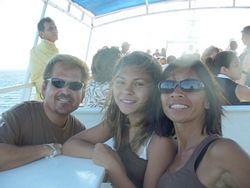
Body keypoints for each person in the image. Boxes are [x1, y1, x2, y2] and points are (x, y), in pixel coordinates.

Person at [63, 51, 176, 188]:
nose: (127, 90)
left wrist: (113, 166)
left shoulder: (160, 142)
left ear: (155, 90)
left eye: (139, 84)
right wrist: (102, 155)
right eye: (121, 82)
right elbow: (70, 145)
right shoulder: (119, 121)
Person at [157, 55, 250, 188]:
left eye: (190, 85)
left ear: (208, 100)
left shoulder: (222, 151)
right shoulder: (168, 151)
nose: (176, 92)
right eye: (167, 85)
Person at [0, 54, 89, 171]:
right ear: (44, 88)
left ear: (82, 95)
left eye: (75, 85)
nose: (66, 91)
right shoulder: (18, 116)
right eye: (58, 82)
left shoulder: (78, 130)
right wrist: (47, 149)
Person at [29, 17, 59, 100]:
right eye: (50, 29)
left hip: (47, 98)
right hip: (46, 100)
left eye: (55, 28)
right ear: (41, 35)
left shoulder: (53, 50)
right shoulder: (38, 51)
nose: (55, 31)